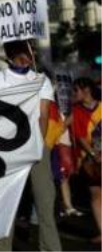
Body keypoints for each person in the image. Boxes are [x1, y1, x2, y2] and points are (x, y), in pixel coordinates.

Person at [0, 40, 61, 252]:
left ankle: (50, 248)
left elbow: (44, 114)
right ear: (13, 54)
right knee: (6, 204)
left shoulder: (41, 80)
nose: (31, 55)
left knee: (45, 204)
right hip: (6, 149)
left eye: (31, 52)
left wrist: (37, 146)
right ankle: (3, 248)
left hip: (37, 147)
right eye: (27, 52)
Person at [70, 78, 102, 240]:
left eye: (76, 90)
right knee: (95, 193)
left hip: (96, 156)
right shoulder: (76, 111)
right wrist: (93, 154)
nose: (74, 94)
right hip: (90, 159)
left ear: (87, 90)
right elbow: (80, 136)